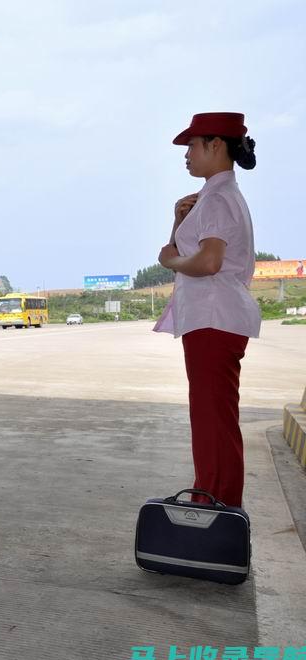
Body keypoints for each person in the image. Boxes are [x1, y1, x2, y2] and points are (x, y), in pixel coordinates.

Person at [153, 112, 261, 508]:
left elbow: (209, 262)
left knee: (212, 422)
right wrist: (177, 224)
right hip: (214, 320)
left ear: (217, 145)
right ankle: (214, 500)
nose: (186, 154)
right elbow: (189, 250)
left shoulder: (217, 198)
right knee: (213, 419)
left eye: (193, 145)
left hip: (213, 321)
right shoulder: (214, 197)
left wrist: (170, 262)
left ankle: (215, 505)